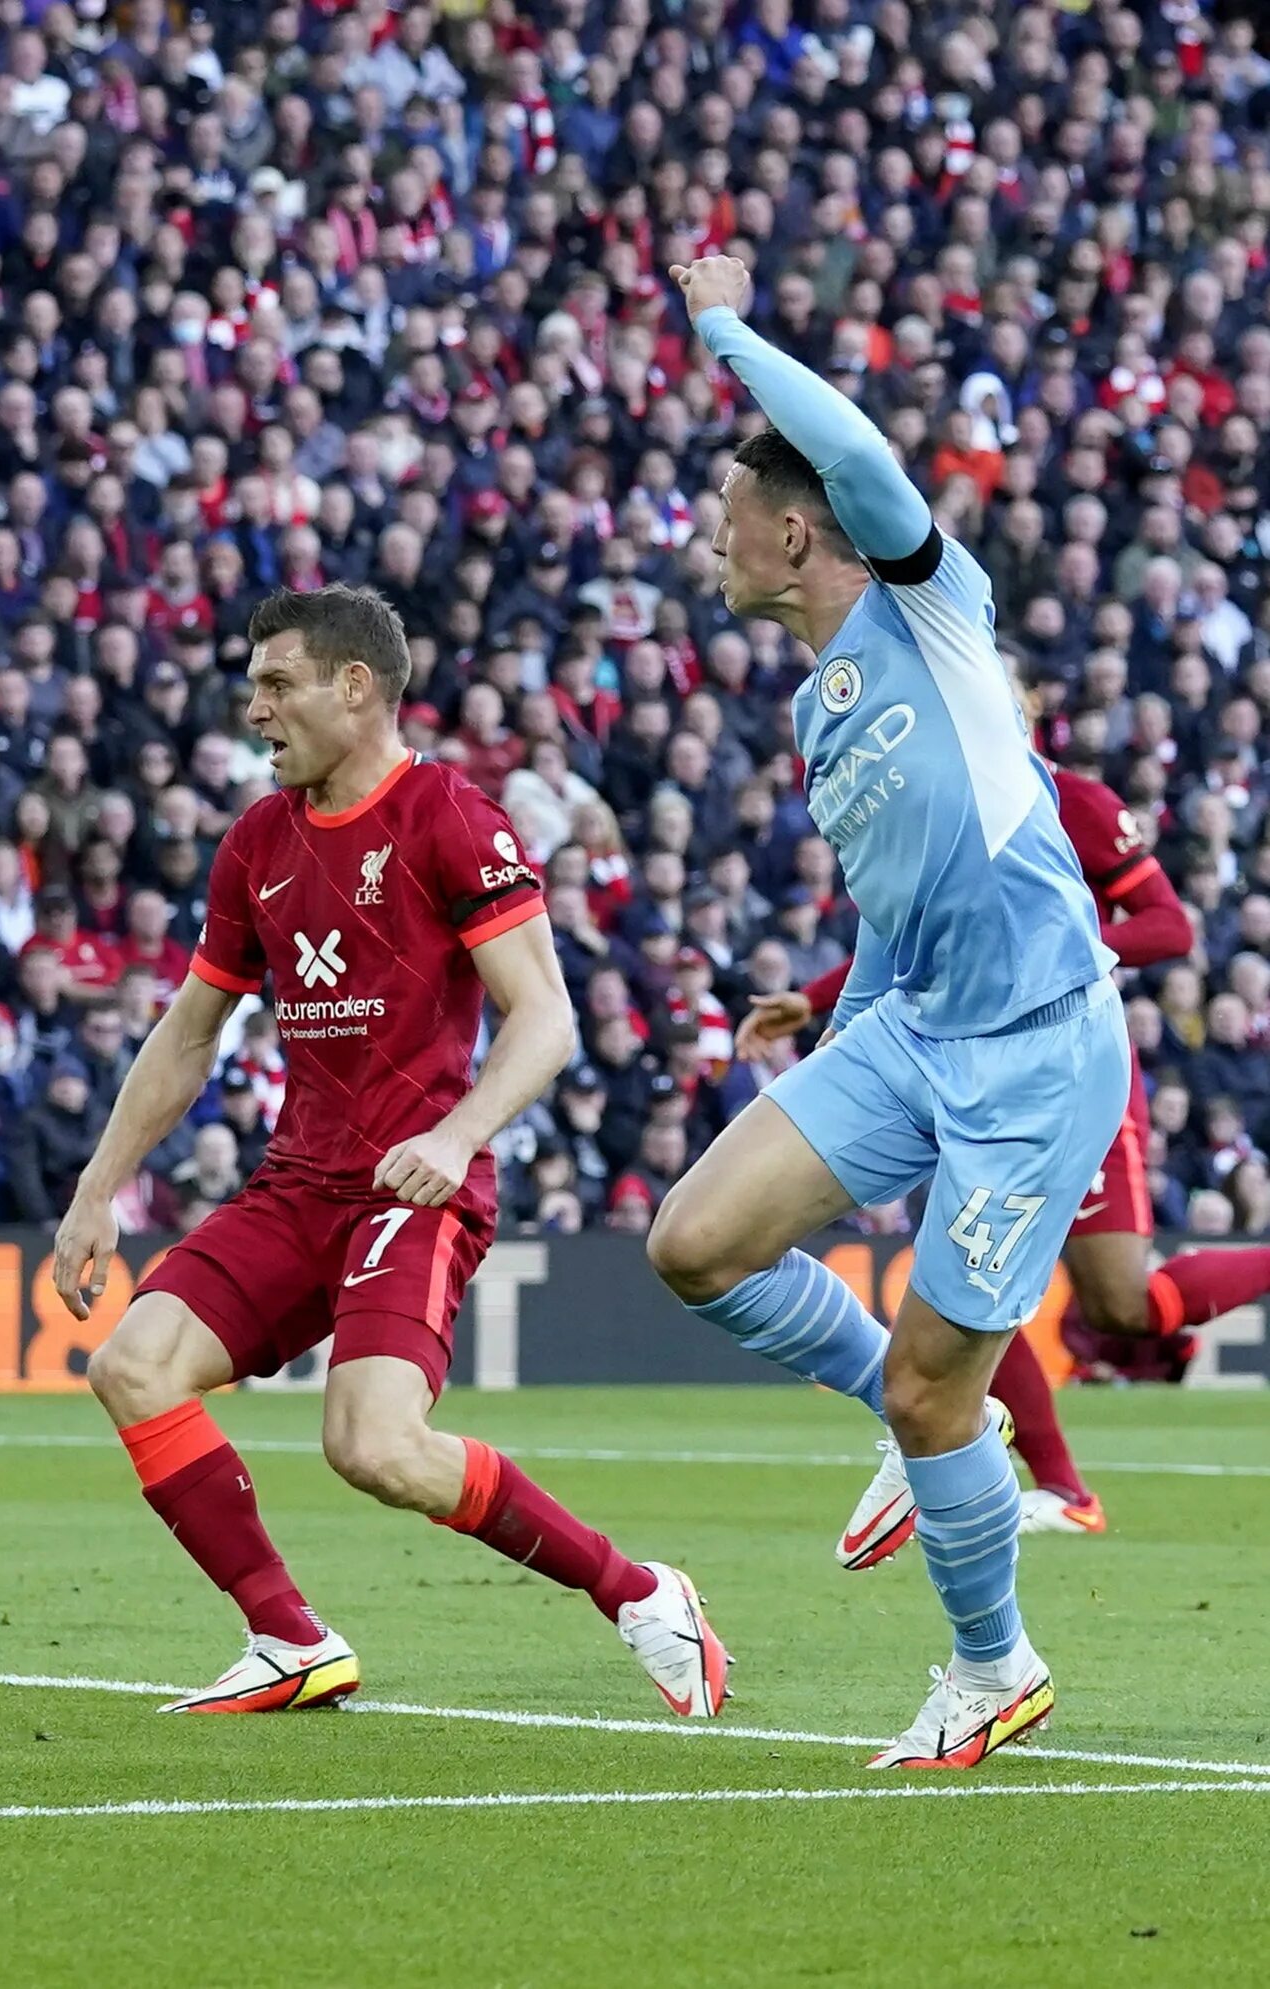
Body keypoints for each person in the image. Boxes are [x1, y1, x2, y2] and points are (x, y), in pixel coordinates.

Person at [52, 587, 723, 1720]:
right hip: (295, 1185)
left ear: (353, 687)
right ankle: (288, 1640)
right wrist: (96, 1191)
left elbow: (546, 1019)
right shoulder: (259, 841)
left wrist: (456, 1138)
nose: (255, 708)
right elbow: (189, 1031)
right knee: (130, 1367)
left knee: (372, 1446)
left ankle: (642, 1594)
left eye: (277, 684)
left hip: (411, 1190)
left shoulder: (450, 817)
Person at [645, 255, 1127, 1771]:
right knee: (694, 1243)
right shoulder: (815, 701)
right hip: (916, 1026)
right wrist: (846, 1004)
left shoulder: (935, 609)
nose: (712, 541)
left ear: (799, 531)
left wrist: (722, 325)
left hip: (1040, 1047)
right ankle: (949, 1432)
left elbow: (858, 455)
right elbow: (899, 883)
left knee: (931, 1386)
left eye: (730, 516)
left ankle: (993, 1668)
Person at [736, 713, 1246, 1539]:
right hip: (964, 1069)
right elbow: (908, 936)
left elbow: (1169, 926)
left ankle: (1049, 1483)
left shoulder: (1071, 801)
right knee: (973, 1270)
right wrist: (816, 995)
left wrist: (1056, 950)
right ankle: (1062, 1488)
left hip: (1068, 1070)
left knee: (1125, 1301)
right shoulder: (939, 808)